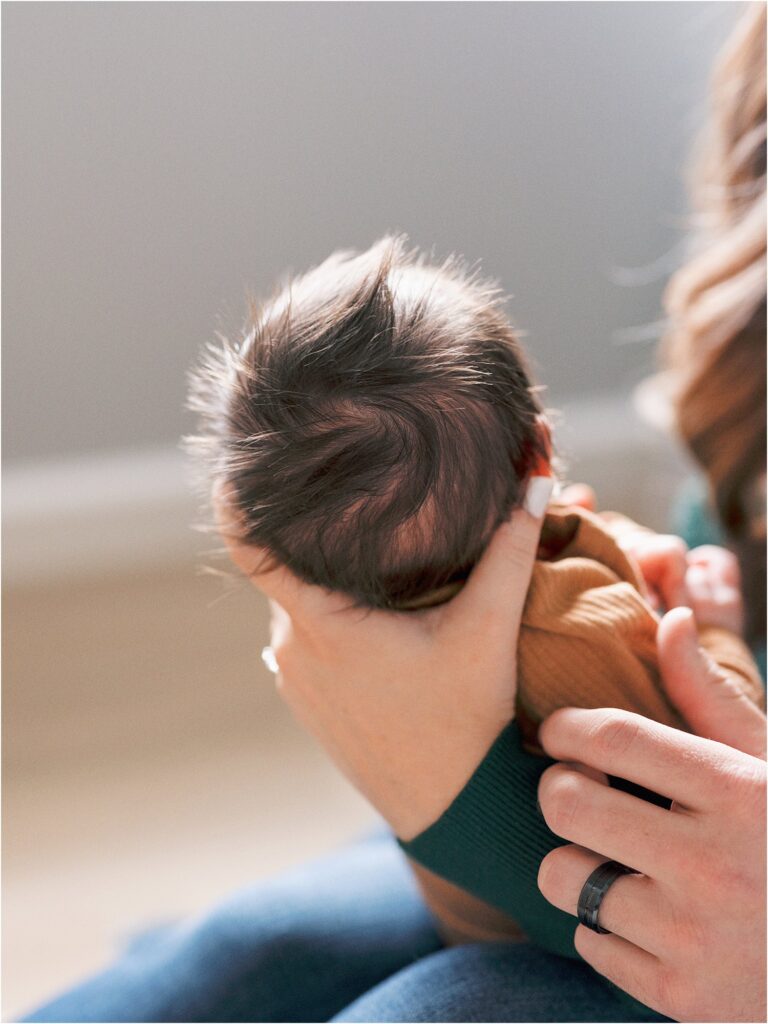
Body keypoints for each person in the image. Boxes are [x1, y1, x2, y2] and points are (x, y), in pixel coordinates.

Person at [23, 4, 766, 1022]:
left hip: (612, 886)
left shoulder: (565, 631)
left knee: (440, 999)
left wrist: (436, 789)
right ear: (539, 451)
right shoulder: (586, 595)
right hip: (636, 857)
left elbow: (653, 859)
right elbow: (717, 560)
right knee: (249, 948)